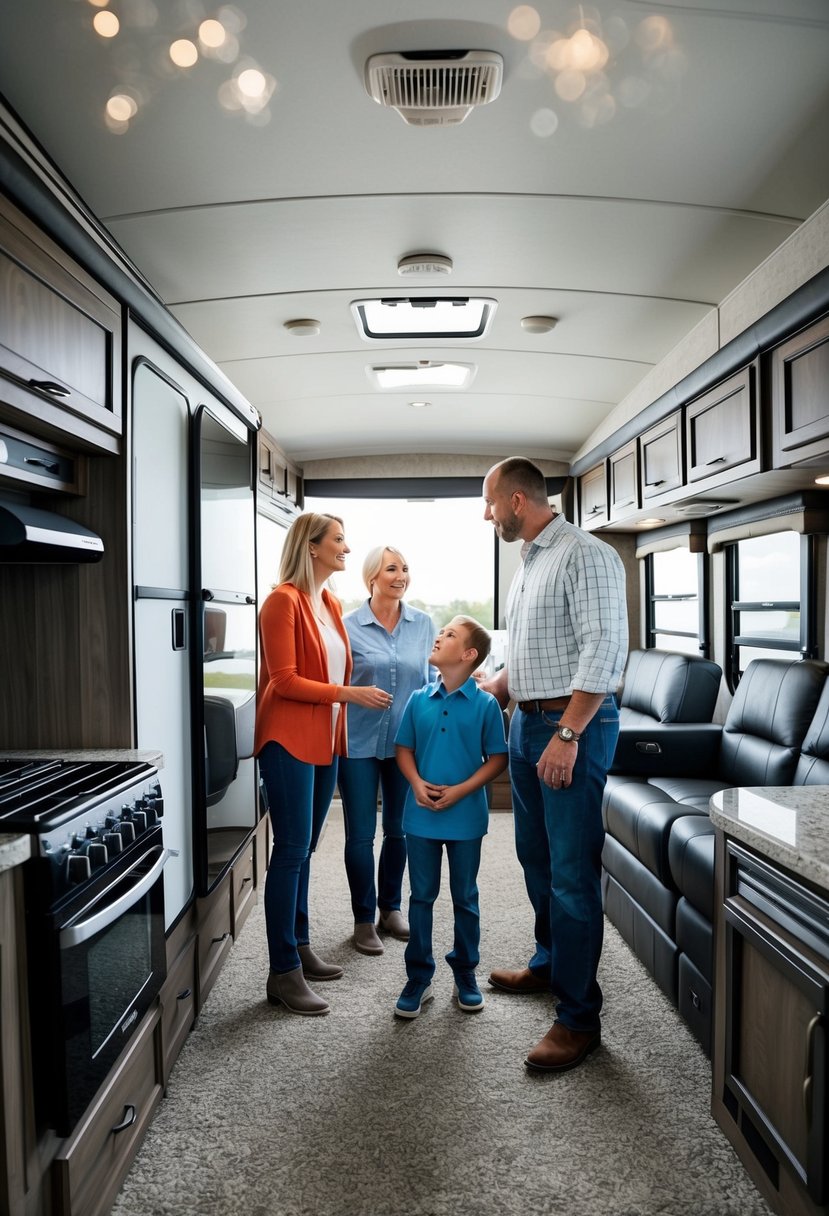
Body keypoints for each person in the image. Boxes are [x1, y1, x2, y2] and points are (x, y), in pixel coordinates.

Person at [480, 457, 627, 1072]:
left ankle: (578, 1018)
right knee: (534, 856)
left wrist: (568, 732)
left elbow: (604, 645)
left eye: (489, 503)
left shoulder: (584, 553)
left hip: (571, 726)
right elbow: (532, 653)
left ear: (518, 500)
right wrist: (490, 694)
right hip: (527, 724)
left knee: (569, 870)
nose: (485, 515)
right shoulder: (530, 564)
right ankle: (548, 965)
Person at [254, 512, 393, 1016]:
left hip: (324, 741)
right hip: (287, 740)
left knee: (304, 850)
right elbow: (283, 681)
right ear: (311, 547)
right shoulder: (281, 601)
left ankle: (301, 945)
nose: (347, 549)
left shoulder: (329, 602)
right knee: (290, 850)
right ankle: (282, 972)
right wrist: (348, 694)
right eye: (338, 540)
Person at [392, 616, 509, 1019]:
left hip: (466, 819)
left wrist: (461, 791)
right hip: (420, 817)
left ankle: (465, 972)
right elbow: (403, 749)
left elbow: (497, 758)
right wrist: (416, 783)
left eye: (450, 635)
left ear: (469, 654)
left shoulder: (486, 704)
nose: (439, 636)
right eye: (440, 632)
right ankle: (419, 976)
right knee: (421, 896)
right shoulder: (417, 700)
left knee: (466, 897)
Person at [339, 546, 434, 955]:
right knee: (360, 836)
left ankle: (390, 908)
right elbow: (337, 682)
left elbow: (429, 680)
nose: (401, 575)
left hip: (405, 745)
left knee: (398, 830)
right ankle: (363, 919)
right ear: (372, 578)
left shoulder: (424, 624)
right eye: (391, 568)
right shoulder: (346, 626)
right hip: (356, 743)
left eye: (405, 568)